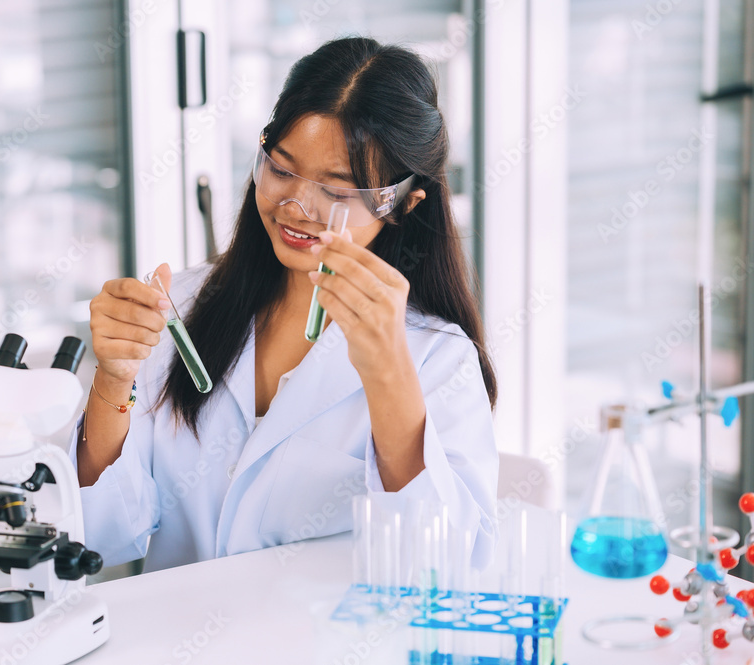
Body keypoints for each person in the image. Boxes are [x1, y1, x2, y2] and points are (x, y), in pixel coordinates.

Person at [71, 37, 498, 572]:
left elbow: (443, 569)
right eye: (282, 168)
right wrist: (113, 379)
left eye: (337, 191)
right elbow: (97, 539)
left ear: (403, 205)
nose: (296, 205)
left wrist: (389, 374)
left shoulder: (440, 359)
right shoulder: (179, 306)